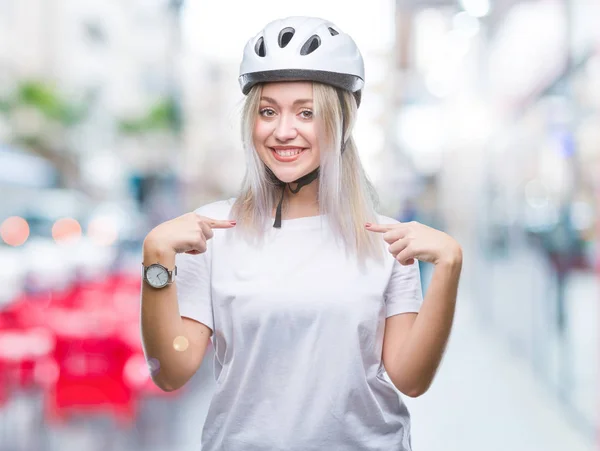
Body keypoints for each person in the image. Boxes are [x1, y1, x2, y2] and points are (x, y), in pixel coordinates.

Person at [140, 16, 462, 451]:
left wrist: (448, 267)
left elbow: (411, 377)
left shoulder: (385, 240)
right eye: (268, 111)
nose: (283, 130)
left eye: (306, 112)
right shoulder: (212, 232)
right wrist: (156, 261)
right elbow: (172, 367)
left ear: (341, 122)